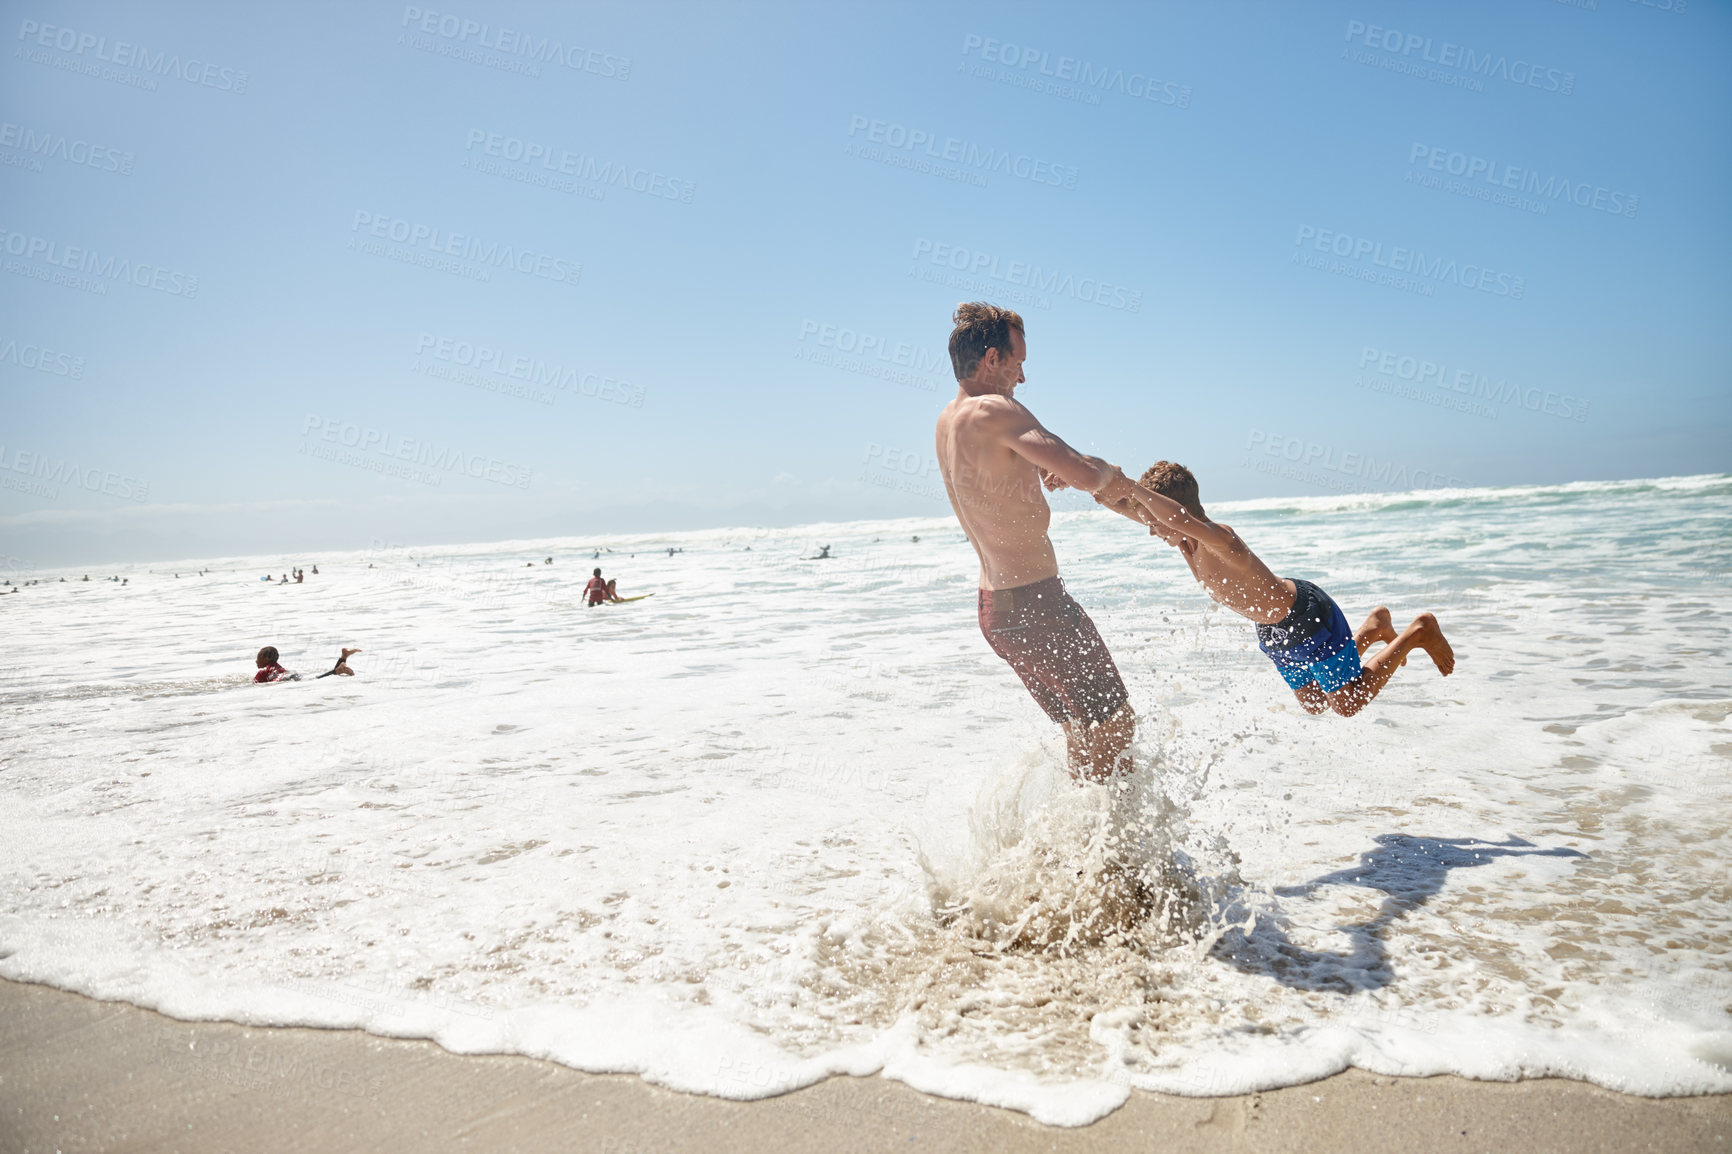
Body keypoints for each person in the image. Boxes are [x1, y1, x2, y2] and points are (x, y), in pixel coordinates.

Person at [934, 302, 1141, 783]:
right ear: (991, 360)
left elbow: (992, 481)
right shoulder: (995, 408)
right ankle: (1115, 856)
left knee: (1084, 733)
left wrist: (1033, 466)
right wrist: (1108, 471)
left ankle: (1082, 848)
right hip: (1036, 605)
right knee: (1116, 725)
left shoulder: (949, 419)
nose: (1022, 378)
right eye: (1018, 363)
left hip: (997, 611)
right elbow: (1086, 473)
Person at [1102, 461, 1454, 716]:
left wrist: (1133, 487)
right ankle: (1372, 628)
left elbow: (1176, 519)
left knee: (1346, 704)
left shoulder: (1221, 540)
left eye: (1156, 523)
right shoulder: (1183, 542)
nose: (1152, 531)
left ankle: (1418, 632)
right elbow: (1124, 506)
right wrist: (1084, 482)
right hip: (1273, 631)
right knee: (1316, 704)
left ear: (1179, 512)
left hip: (1307, 618)